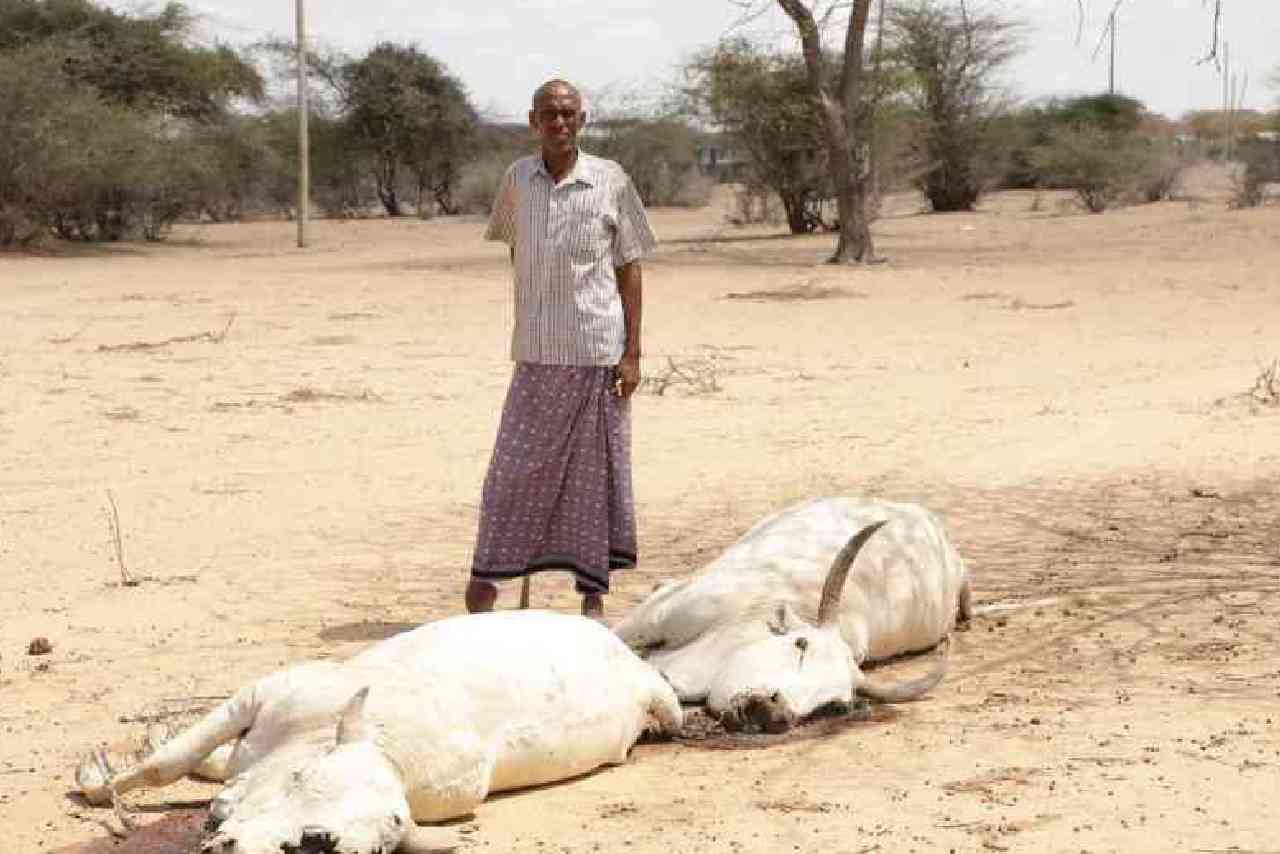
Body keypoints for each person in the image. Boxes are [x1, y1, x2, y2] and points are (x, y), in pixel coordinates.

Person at [465, 79, 656, 621]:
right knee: (511, 474)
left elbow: (630, 267)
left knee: (593, 480)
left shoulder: (611, 180)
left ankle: (592, 598)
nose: (559, 122)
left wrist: (633, 353)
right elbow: (516, 251)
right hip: (535, 353)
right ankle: (486, 583)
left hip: (597, 353)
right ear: (533, 121)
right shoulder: (517, 180)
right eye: (549, 113)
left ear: (582, 120)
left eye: (569, 113)